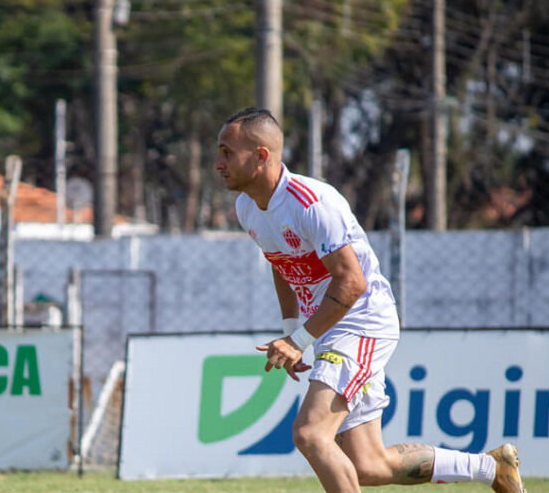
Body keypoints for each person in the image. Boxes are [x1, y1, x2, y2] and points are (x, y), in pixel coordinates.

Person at [214, 107, 525, 493]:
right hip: (330, 327)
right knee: (366, 465)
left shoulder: (312, 203)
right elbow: (281, 263)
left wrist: (298, 342)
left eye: (227, 152)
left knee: (311, 433)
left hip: (361, 321)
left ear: (261, 156)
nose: (218, 163)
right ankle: (490, 468)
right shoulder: (247, 207)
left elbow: (351, 282)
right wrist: (291, 330)